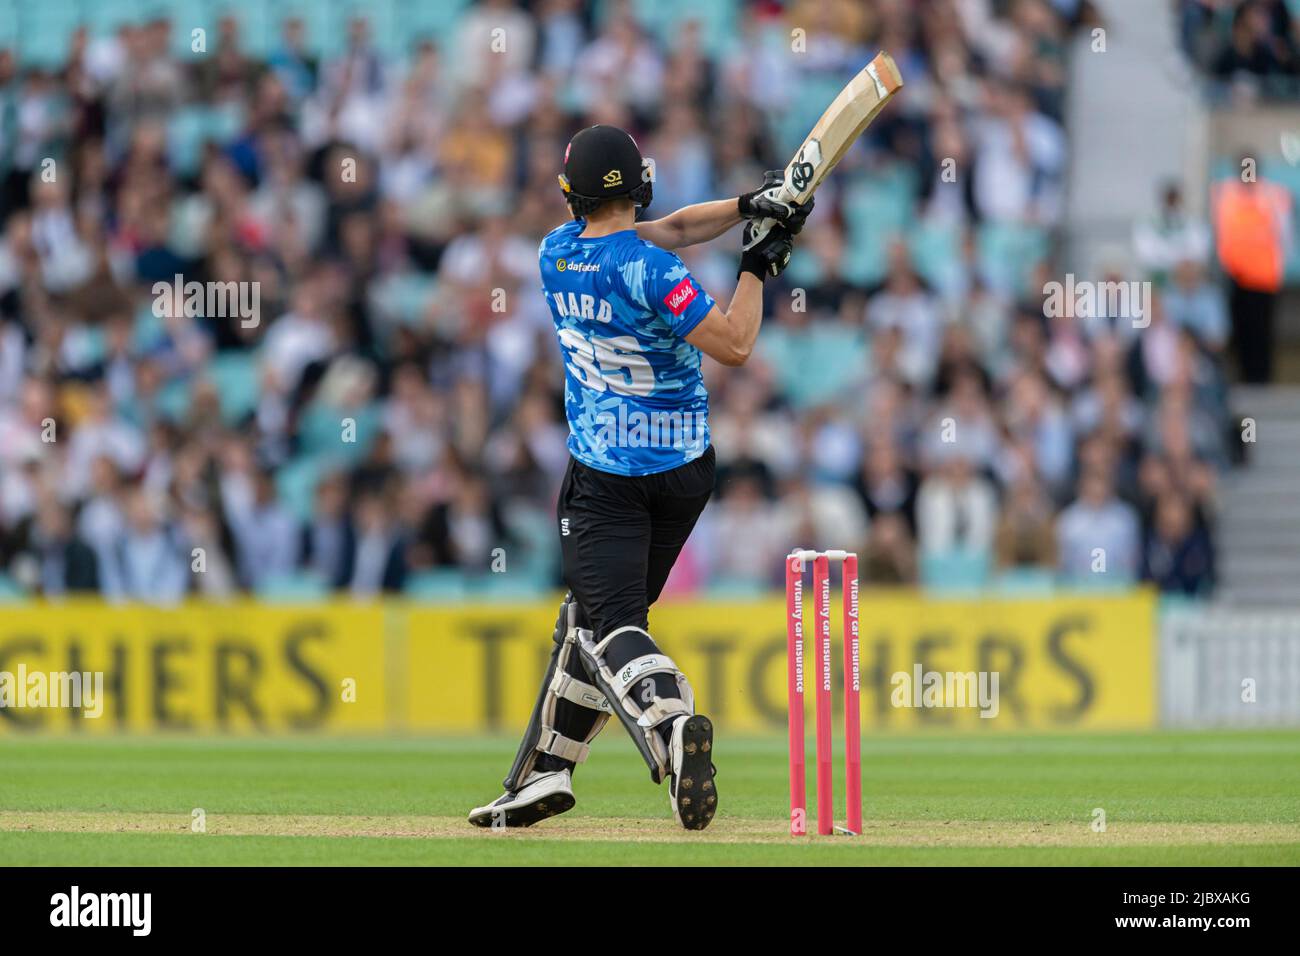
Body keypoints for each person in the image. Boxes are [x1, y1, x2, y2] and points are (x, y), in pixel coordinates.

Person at [469, 125, 810, 830]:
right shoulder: (656, 272)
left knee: (611, 626)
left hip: (606, 479)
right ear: (637, 185)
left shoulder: (554, 254)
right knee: (583, 621)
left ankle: (672, 723)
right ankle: (545, 775)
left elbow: (675, 231)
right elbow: (736, 341)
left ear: (574, 196)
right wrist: (759, 264)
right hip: (685, 472)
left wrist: (752, 203)